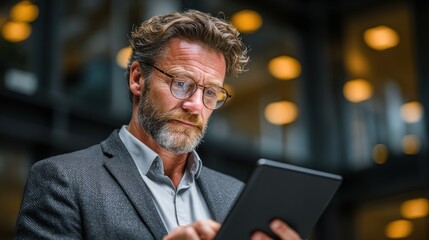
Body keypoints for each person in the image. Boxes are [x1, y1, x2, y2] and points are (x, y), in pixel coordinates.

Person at [14, 10, 301, 240]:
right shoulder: (62, 180)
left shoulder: (237, 195)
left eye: (210, 92)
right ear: (138, 79)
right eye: (181, 83)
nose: (195, 105)